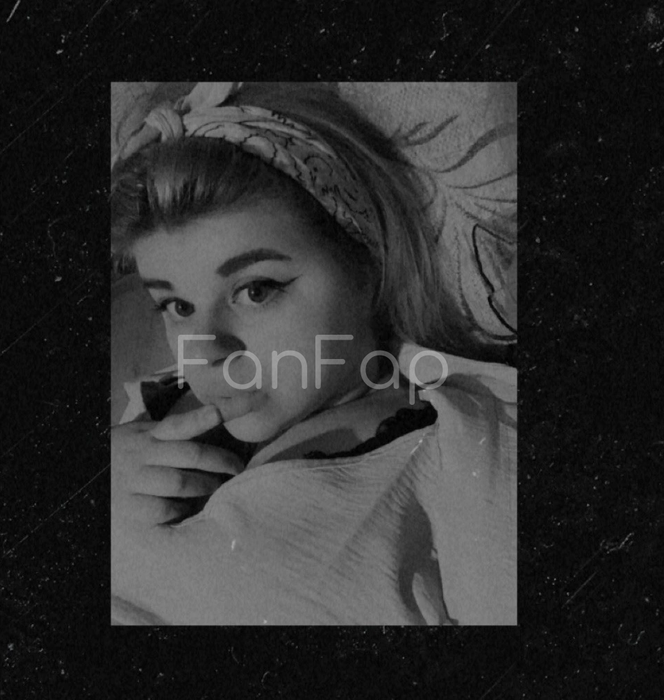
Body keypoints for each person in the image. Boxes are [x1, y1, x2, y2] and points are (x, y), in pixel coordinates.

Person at [110, 82, 516, 625]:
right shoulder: (148, 415)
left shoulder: (471, 453)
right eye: (177, 306)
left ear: (367, 268)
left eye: (257, 290)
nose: (204, 351)